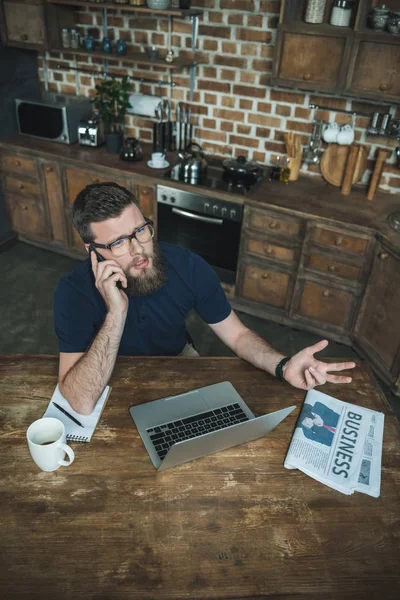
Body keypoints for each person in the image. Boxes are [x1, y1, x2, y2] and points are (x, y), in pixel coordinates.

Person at [54, 182, 356, 415]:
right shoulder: (72, 293)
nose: (138, 250)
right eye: (118, 242)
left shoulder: (187, 265)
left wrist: (283, 365)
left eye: (140, 231)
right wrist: (116, 314)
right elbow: (80, 402)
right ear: (92, 252)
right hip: (108, 372)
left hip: (178, 359)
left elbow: (237, 336)